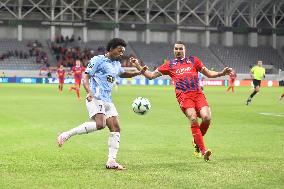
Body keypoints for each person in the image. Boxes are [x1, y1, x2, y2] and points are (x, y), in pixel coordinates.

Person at [130, 41, 232, 162]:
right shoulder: (169, 65)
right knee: (193, 118)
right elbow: (150, 75)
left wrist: (221, 73)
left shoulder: (194, 60)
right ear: (174, 51)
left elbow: (208, 73)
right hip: (184, 96)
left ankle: (196, 142)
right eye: (176, 49)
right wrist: (137, 65)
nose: (178, 51)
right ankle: (203, 150)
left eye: (180, 49)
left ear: (185, 50)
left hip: (198, 94)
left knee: (207, 118)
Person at [57, 38, 142, 170]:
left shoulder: (116, 64)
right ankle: (66, 134)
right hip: (95, 97)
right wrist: (89, 91)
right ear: (111, 49)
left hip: (108, 100)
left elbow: (123, 73)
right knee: (100, 124)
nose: (121, 53)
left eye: (123, 51)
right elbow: (86, 76)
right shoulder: (98, 60)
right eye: (119, 50)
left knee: (116, 128)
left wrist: (138, 72)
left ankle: (111, 161)